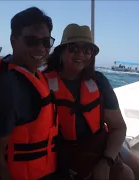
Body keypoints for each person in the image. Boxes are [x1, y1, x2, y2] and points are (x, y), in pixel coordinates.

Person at [43, 23, 131, 180]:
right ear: (61, 52)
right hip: (62, 155)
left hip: (99, 148)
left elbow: (118, 127)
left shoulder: (99, 82)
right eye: (74, 48)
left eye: (87, 49)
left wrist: (106, 162)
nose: (81, 54)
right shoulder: (43, 83)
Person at [0, 7, 58, 180]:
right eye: (31, 41)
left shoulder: (35, 74)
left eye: (46, 42)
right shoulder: (7, 87)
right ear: (13, 41)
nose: (40, 48)